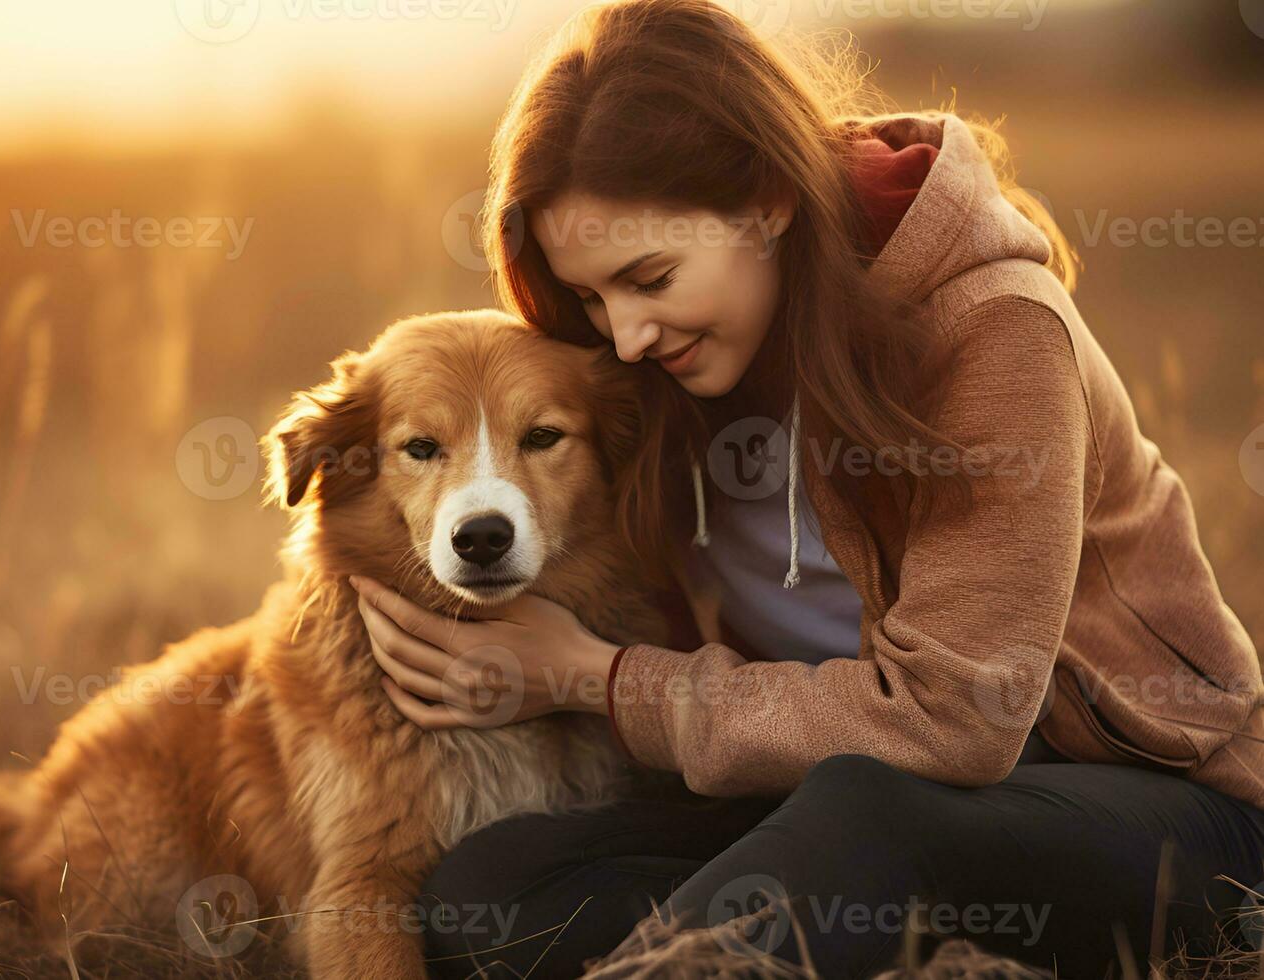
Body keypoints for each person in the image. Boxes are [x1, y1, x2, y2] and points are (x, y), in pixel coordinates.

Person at [347, 0, 1264, 975]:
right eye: (588, 296)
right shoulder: (653, 365)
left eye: (650, 277)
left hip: (1137, 804)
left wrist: (591, 677)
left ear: (767, 200)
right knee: (488, 886)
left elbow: (954, 722)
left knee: (866, 810)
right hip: (812, 792)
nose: (623, 336)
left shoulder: (993, 330)